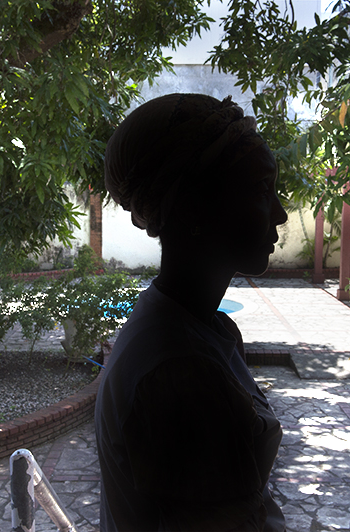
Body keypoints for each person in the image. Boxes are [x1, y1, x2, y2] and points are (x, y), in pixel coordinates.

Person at [95, 93, 289, 531]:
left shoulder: (202, 327)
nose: (279, 213)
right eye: (261, 189)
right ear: (194, 207)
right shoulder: (183, 372)